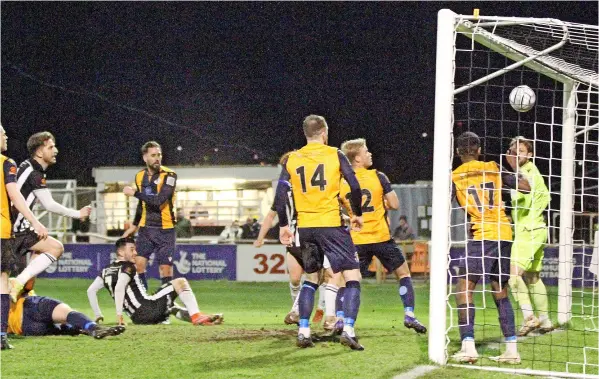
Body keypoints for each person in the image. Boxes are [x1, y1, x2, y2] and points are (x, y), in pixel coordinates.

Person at [275, 115, 365, 350]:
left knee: (312, 278)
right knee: (353, 275)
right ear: (324, 132)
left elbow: (280, 194)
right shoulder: (335, 154)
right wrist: (357, 213)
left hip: (305, 227)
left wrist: (284, 225)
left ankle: (304, 331)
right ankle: (349, 329)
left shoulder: (293, 159)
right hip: (331, 224)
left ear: (305, 134)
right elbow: (354, 185)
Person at [339, 138, 426, 334]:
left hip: (357, 239)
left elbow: (338, 209)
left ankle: (340, 319)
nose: (370, 154)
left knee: (349, 281)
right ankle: (409, 314)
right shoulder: (378, 176)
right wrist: (380, 205)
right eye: (366, 151)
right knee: (403, 274)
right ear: (358, 158)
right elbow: (395, 205)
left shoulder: (342, 182)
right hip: (380, 237)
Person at [451, 132, 520, 364]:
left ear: (458, 153)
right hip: (505, 232)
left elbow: (451, 204)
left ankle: (468, 345)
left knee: (463, 288)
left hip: (482, 236)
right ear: (479, 149)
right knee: (500, 290)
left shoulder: (455, 176)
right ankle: (512, 349)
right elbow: (526, 186)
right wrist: (511, 172)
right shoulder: (494, 167)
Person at [9, 131, 91, 302]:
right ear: (39, 152)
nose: (56, 151)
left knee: (30, 271)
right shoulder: (34, 173)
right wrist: (78, 214)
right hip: (14, 230)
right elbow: (50, 205)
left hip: (17, 228)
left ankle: (21, 288)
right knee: (55, 248)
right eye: (51, 147)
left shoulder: (27, 166)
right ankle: (19, 284)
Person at [254, 151, 328, 327]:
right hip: (292, 241)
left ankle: (314, 309)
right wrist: (260, 238)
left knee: (318, 276)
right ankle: (300, 310)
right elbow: (270, 216)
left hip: (310, 236)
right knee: (295, 279)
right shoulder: (283, 193)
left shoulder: (309, 188)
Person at [87, 237, 223, 326]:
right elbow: (119, 288)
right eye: (132, 249)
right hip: (146, 309)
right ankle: (197, 316)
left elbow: (91, 291)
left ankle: (202, 320)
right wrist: (119, 316)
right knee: (181, 282)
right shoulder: (128, 266)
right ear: (121, 252)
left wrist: (98, 314)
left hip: (138, 318)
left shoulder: (105, 270)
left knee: (170, 305)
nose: (135, 253)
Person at [0, 125, 49, 350]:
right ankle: (1, 335)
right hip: (2, 230)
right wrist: (35, 221)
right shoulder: (6, 163)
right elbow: (15, 196)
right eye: (2, 133)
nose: (6, 136)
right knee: (2, 281)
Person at [506, 136, 553, 336]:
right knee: (533, 277)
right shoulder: (535, 171)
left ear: (530, 155)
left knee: (512, 277)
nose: (516, 153)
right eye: (513, 150)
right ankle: (545, 320)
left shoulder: (524, 174)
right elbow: (546, 197)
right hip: (539, 228)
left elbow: (522, 198)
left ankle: (528, 317)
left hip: (528, 230)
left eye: (521, 151)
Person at [122, 141, 177, 293]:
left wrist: (134, 193)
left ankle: (165, 304)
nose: (157, 158)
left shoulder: (170, 175)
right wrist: (134, 225)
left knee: (165, 270)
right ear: (145, 157)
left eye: (159, 155)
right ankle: (144, 301)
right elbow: (143, 202)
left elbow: (159, 201)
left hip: (166, 229)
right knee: (138, 265)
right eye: (153, 155)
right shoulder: (140, 176)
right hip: (146, 229)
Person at [8, 291, 125, 339]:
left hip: (23, 327)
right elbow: (28, 281)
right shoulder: (7, 280)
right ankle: (92, 327)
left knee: (60, 329)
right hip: (31, 305)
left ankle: (77, 329)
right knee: (67, 314)